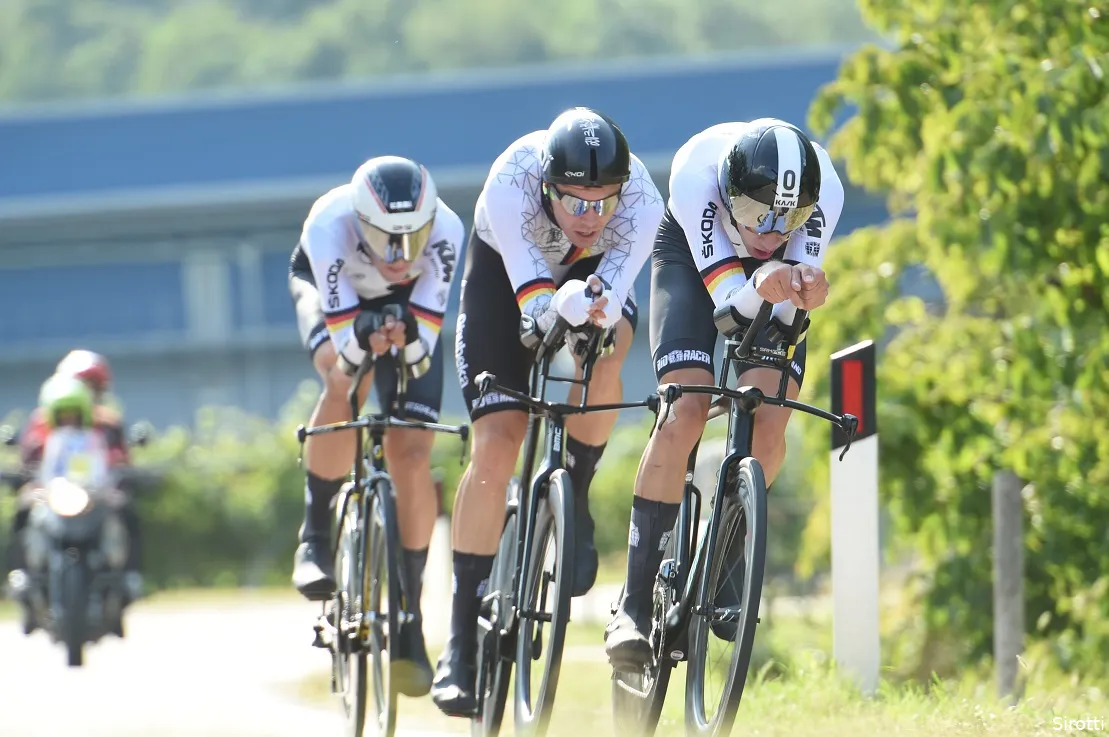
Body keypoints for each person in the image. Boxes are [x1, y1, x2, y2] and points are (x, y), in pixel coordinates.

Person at [431, 107, 665, 715]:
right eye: (575, 202)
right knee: (497, 444)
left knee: (610, 344)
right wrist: (559, 308)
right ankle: (460, 636)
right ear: (546, 187)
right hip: (506, 279)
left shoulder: (642, 201)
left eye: (603, 203)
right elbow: (535, 313)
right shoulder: (511, 181)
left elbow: (612, 295)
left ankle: (575, 495)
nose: (590, 216)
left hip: (589, 276)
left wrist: (594, 316)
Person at [604, 119, 845, 667]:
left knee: (769, 418)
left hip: (768, 281)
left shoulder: (823, 189)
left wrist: (805, 288)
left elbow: (784, 315)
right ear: (731, 192)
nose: (771, 232)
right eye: (757, 213)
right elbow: (730, 309)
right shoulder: (697, 175)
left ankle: (729, 547)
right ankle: (634, 604)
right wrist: (765, 282)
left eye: (789, 220)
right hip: (694, 264)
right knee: (684, 410)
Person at [287, 155, 465, 697]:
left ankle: (409, 611)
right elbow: (346, 350)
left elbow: (420, 353)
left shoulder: (448, 231)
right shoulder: (329, 224)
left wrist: (403, 336)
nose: (399, 255)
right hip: (334, 290)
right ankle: (315, 535)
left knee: (412, 453)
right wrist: (363, 336)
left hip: (406, 308)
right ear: (360, 222)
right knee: (345, 382)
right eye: (386, 239)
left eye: (412, 241)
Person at [6, 351, 143, 603]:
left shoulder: (107, 423)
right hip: (49, 492)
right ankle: (21, 573)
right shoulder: (42, 421)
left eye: (93, 386)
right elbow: (29, 456)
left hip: (95, 491)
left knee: (125, 510)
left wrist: (121, 475)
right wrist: (26, 478)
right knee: (23, 508)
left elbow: (120, 457)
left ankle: (129, 575)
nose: (87, 392)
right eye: (82, 385)